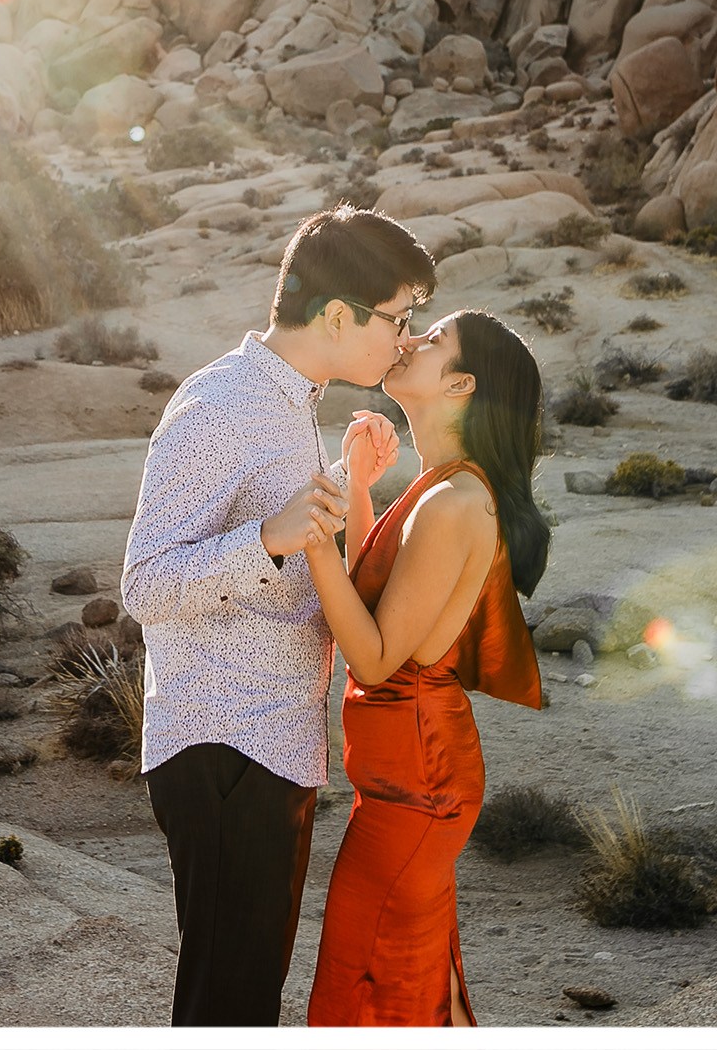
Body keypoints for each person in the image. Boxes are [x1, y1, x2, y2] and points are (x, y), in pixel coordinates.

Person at [118, 204, 437, 1027]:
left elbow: (292, 534)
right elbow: (145, 583)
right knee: (227, 1007)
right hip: (221, 744)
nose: (406, 340)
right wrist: (267, 536)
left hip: (273, 743)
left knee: (245, 998)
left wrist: (348, 476)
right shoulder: (220, 403)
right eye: (399, 319)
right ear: (338, 315)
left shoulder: (292, 399)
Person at [299, 309, 551, 1027]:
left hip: (418, 786)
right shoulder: (443, 486)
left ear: (462, 383)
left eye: (432, 340)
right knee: (410, 985)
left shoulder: (452, 502)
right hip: (408, 780)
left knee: (374, 990)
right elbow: (379, 616)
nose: (409, 340)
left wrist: (311, 539)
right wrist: (355, 493)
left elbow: (374, 660)